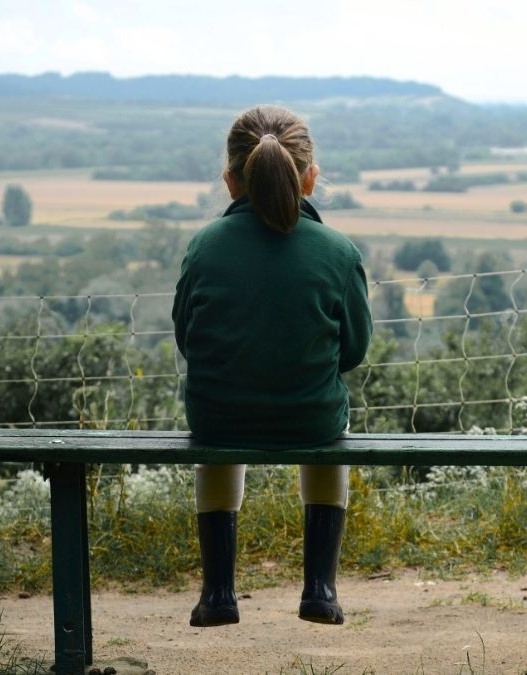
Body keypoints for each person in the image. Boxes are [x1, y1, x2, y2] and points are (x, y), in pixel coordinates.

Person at [172, 105, 373, 628]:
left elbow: (187, 341)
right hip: (311, 419)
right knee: (333, 429)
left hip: (219, 419)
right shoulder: (337, 251)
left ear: (230, 180)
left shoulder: (204, 247)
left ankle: (218, 593)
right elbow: (353, 351)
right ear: (310, 177)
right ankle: (320, 589)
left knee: (218, 423)